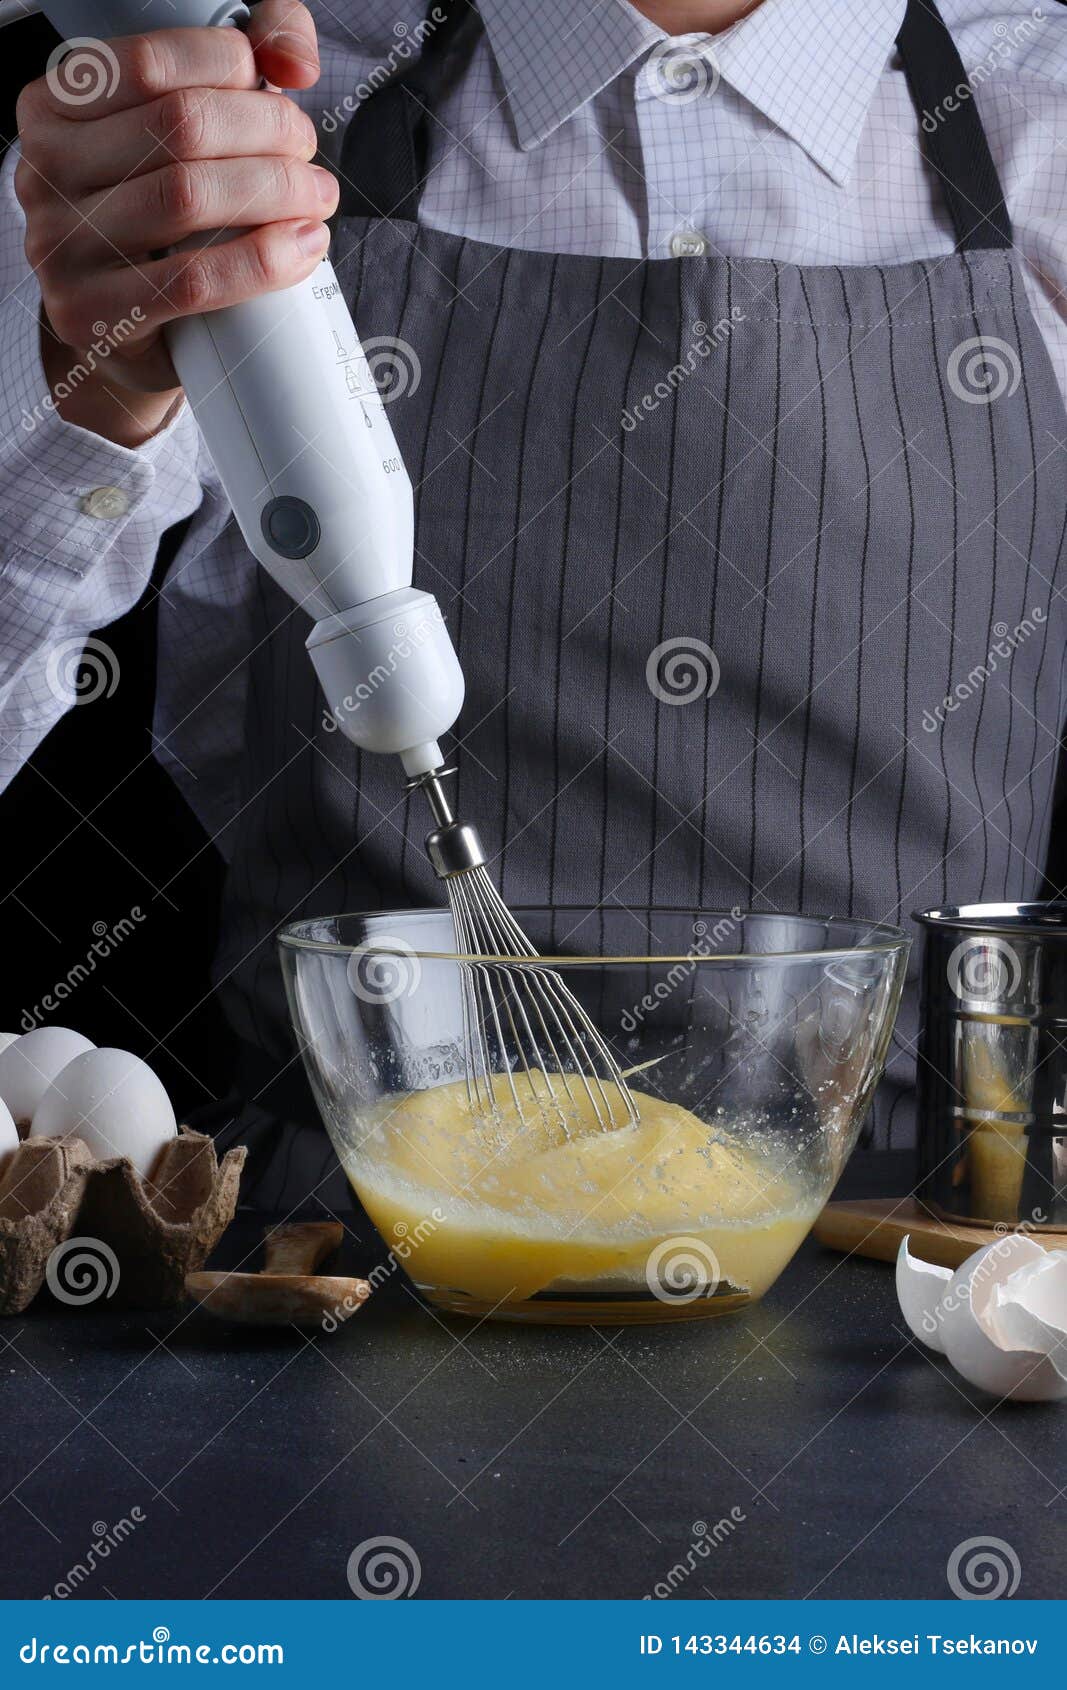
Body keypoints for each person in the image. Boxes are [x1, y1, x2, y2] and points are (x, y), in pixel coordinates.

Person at [2, 0, 1065, 1203]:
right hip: (348, 1289)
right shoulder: (221, 131)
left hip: (919, 1295)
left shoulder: (1040, 118)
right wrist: (88, 405)